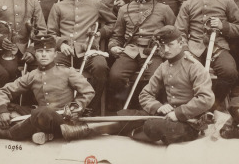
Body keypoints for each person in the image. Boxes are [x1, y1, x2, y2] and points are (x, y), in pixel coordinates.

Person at [60, 26, 215, 145]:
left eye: (170, 45)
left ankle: (131, 131)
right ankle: (82, 131)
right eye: (162, 46)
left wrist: (179, 113)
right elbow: (145, 94)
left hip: (189, 123)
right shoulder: (164, 66)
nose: (166, 50)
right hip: (165, 115)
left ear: (181, 43)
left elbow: (206, 99)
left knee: (152, 126)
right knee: (125, 114)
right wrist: (157, 106)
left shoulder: (194, 66)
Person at [0, 35, 95, 145]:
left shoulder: (67, 72)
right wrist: (2, 111)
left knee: (42, 112)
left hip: (64, 119)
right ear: (35, 54)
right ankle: (45, 133)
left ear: (55, 54)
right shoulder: (32, 75)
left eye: (48, 51)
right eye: (40, 51)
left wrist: (76, 107)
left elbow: (88, 91)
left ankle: (9, 133)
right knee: (8, 109)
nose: (43, 55)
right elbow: (5, 91)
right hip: (41, 116)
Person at [175, 0, 239, 110]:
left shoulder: (226, 2)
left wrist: (223, 26)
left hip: (218, 48)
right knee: (185, 72)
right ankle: (190, 106)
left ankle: (213, 104)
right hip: (194, 49)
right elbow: (179, 31)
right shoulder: (188, 4)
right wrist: (185, 50)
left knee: (229, 72)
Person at [47, 0, 116, 115]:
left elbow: (113, 23)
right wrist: (61, 43)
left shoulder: (95, 4)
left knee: (101, 66)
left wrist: (100, 33)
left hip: (89, 50)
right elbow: (50, 33)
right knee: (50, 66)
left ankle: (90, 108)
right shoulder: (58, 7)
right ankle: (59, 109)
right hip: (66, 52)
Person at [108, 0, 176, 111]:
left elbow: (174, 34)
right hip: (131, 51)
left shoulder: (163, 9)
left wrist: (165, 51)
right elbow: (117, 36)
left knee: (155, 78)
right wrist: (113, 46)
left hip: (154, 52)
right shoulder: (124, 9)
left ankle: (151, 110)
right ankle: (124, 108)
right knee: (115, 76)